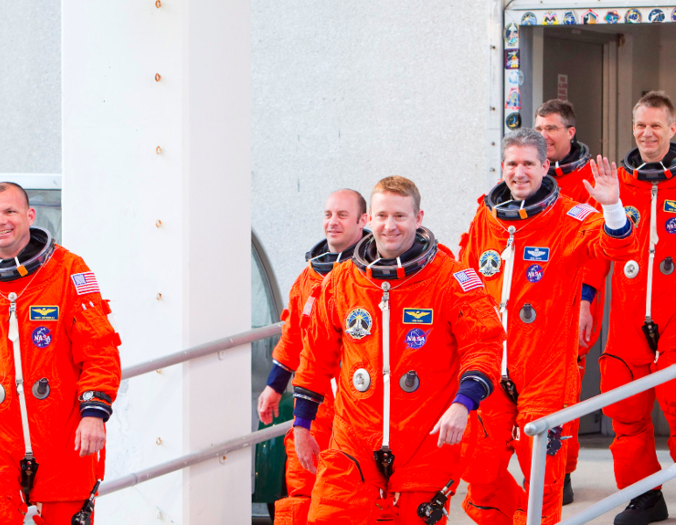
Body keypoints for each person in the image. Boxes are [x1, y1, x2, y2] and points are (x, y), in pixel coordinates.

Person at [292, 176, 505, 524]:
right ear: (368, 220)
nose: (389, 226)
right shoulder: (341, 282)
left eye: (400, 217)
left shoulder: (451, 280)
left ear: (419, 218)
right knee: (328, 515)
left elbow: (483, 345)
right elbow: (315, 357)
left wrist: (462, 404)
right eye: (381, 216)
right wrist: (302, 425)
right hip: (354, 439)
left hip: (424, 438)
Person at [459, 128, 635, 525]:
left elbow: (615, 247)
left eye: (528, 164)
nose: (519, 172)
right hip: (490, 366)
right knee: (479, 471)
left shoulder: (571, 216)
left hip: (545, 369)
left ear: (546, 166)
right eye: (512, 164)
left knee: (544, 476)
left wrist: (612, 207)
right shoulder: (485, 218)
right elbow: (466, 281)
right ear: (501, 167)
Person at [0, 182, 122, 525]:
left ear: (29, 216)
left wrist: (94, 413)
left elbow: (99, 347)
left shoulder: (69, 270)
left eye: (10, 211)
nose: (1, 221)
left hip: (62, 436)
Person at [257, 189, 368, 524]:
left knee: (346, 499)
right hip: (314, 406)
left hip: (359, 407)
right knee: (301, 489)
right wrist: (274, 387)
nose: (332, 222)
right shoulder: (309, 276)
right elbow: (293, 337)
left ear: (363, 221)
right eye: (328, 214)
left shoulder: (372, 276)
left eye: (342, 215)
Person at [599, 90, 676, 525]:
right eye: (640, 125)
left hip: (674, 314)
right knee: (625, 413)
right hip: (628, 317)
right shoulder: (617, 184)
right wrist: (588, 301)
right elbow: (595, 253)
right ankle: (644, 496)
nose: (647, 133)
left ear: (671, 129)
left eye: (655, 125)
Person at [535, 99, 608, 504]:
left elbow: (595, 254)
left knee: (565, 389)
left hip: (571, 302)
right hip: (530, 305)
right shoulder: (529, 174)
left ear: (570, 133)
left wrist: (584, 303)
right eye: (539, 127)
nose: (544, 135)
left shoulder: (588, 182)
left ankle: (560, 472)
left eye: (552, 128)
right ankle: (536, 470)